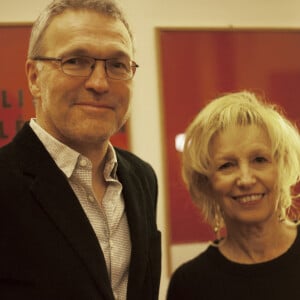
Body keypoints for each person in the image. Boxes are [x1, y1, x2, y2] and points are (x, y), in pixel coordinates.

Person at [0, 0, 161, 299]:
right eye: (75, 61)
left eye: (117, 65)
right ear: (35, 78)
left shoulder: (142, 179)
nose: (99, 83)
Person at [167, 91, 300, 300]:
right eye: (227, 165)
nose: (246, 179)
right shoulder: (190, 284)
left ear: (281, 167)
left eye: (259, 160)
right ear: (206, 183)